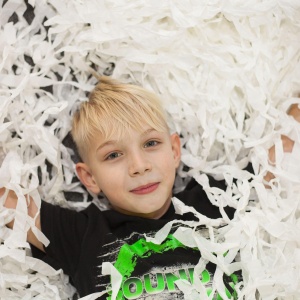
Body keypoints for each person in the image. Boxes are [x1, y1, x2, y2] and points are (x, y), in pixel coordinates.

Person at [1, 76, 299, 299]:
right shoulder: (84, 234)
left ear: (174, 150)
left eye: (151, 143)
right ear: (89, 177)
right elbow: (8, 202)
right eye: (113, 155)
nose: (139, 165)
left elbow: (281, 151)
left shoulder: (214, 204)